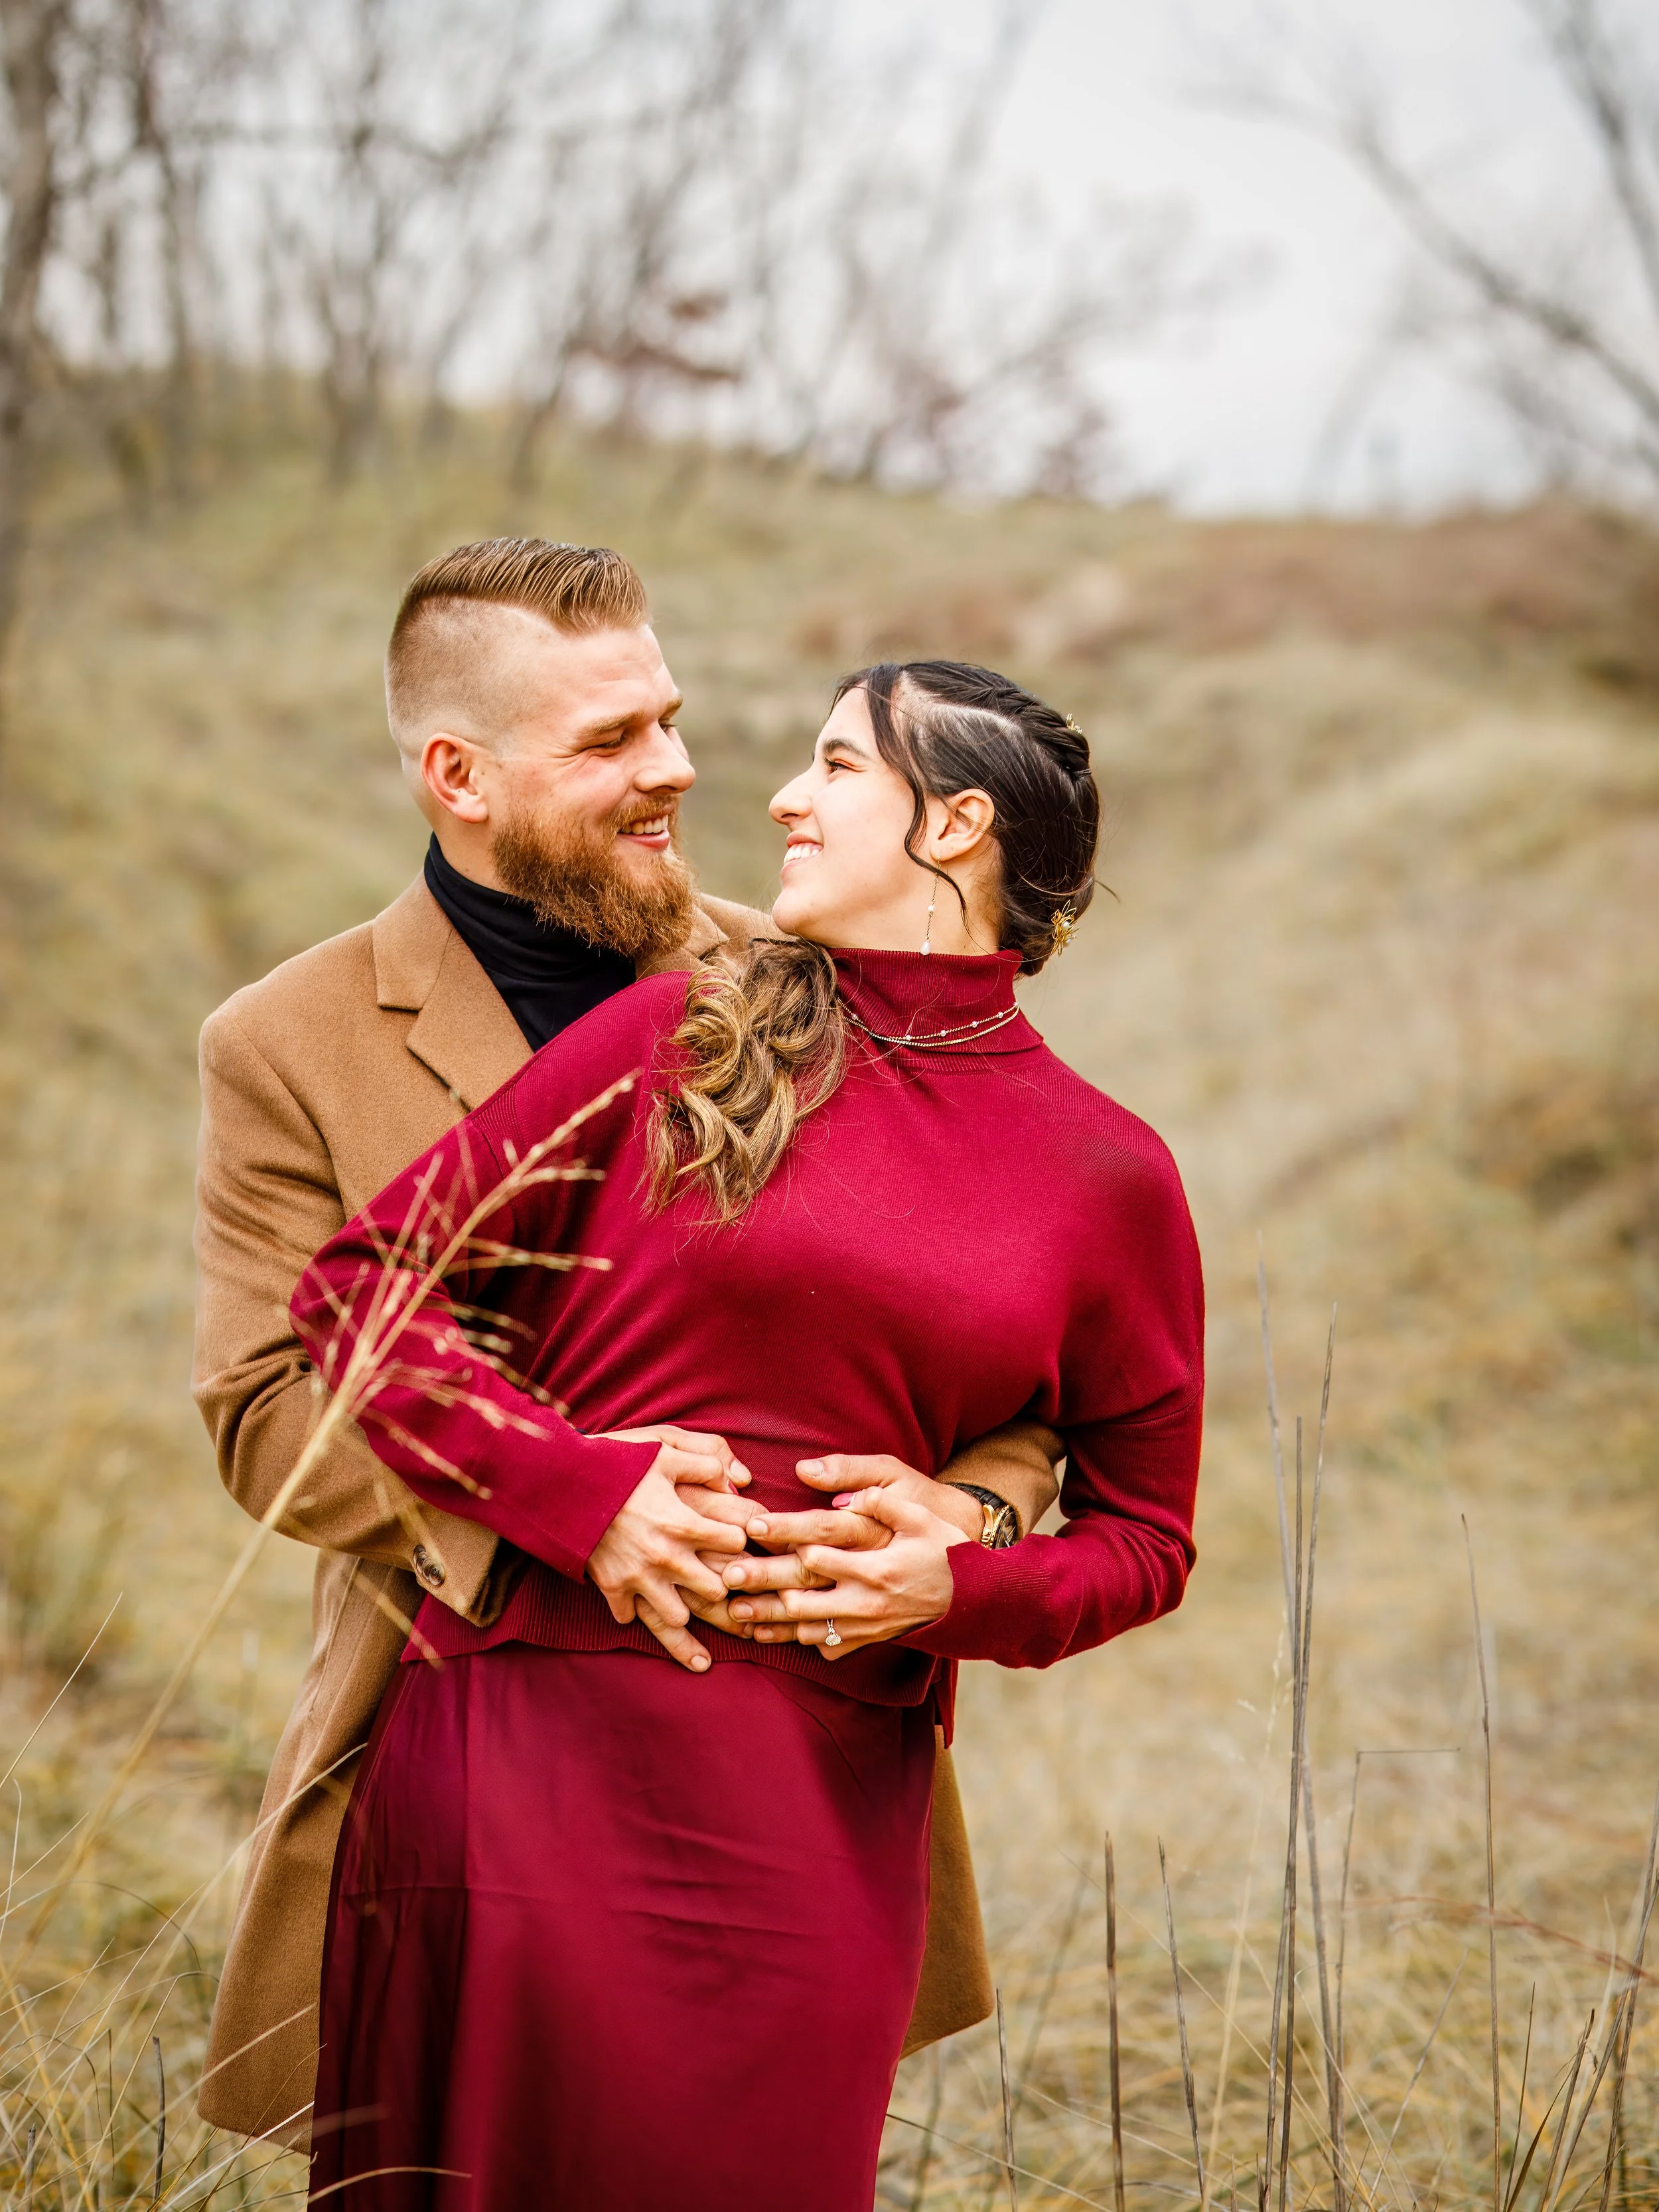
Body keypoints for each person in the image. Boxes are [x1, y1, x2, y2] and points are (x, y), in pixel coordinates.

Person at [291, 655, 1205, 2212]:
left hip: (814, 1813)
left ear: (955, 823)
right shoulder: (671, 1037)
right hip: (520, 1756)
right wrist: (584, 1495)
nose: (780, 794)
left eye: (837, 766)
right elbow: (361, 1296)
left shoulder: (1106, 1174)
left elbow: (1144, 1539)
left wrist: (957, 1587)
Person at [192, 540, 1059, 2148]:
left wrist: (976, 1508)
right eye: (608, 743)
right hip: (438, 1749)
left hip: (790, 1760)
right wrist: (568, 1496)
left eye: (665, 717)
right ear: (457, 773)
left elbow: (1022, 1356)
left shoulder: (813, 987)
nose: (673, 770)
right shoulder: (284, 1045)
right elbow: (262, 1411)